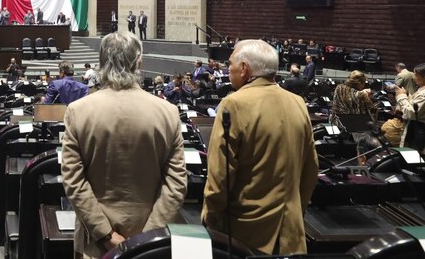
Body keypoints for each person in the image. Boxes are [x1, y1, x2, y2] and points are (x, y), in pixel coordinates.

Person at [61, 32, 186, 257]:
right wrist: (146, 239)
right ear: (139, 62)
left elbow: (73, 181)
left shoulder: (78, 111)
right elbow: (176, 185)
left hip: (97, 244)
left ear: (101, 62)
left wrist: (107, 235)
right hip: (151, 245)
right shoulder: (168, 112)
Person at [202, 39, 318, 255]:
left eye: (230, 65)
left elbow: (220, 178)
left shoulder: (234, 104)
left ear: (244, 68)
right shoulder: (297, 103)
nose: (228, 70)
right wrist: (294, 211)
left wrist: (210, 219)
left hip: (244, 236)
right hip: (290, 235)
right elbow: (311, 169)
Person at [394, 63, 425, 150]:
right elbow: (415, 105)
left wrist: (401, 96)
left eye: (416, 75)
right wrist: (406, 95)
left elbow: (411, 113)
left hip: (418, 130)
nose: (413, 77)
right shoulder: (421, 88)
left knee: (412, 158)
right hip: (416, 127)